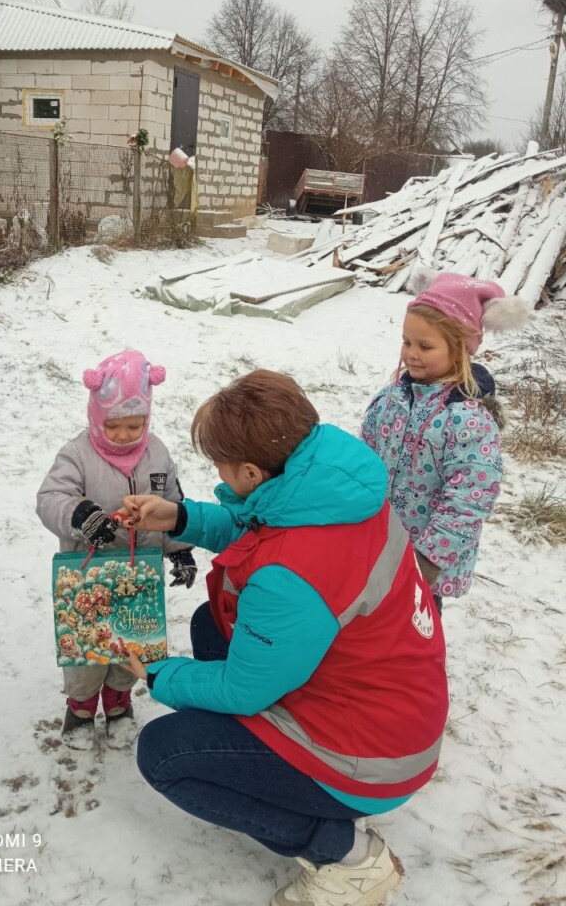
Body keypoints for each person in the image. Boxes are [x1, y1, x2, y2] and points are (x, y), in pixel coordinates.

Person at [121, 369, 448, 906]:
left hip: (372, 755)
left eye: (221, 465)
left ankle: (347, 855)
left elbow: (242, 688)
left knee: (164, 754)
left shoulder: (292, 576)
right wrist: (181, 518)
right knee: (210, 623)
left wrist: (161, 674)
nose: (218, 472)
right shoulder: (331, 486)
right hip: (393, 707)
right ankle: (285, 771)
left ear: (251, 472)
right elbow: (265, 528)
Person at [36, 349, 196, 750]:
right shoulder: (77, 454)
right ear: (96, 416)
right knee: (88, 649)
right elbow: (50, 498)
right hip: (88, 574)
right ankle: (80, 708)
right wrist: (80, 514)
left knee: (132, 645)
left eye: (134, 425)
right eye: (114, 425)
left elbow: (172, 503)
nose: (124, 435)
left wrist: (180, 550)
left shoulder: (157, 453)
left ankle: (119, 704)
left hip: (139, 575)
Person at [361, 266, 530, 607]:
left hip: (425, 564)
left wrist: (428, 559)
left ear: (460, 349)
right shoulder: (390, 400)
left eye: (425, 346)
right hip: (376, 546)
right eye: (407, 342)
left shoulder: (469, 421)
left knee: (414, 628)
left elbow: (468, 499)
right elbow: (363, 461)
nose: (411, 353)